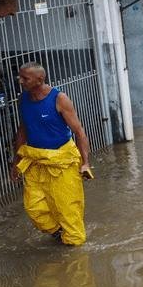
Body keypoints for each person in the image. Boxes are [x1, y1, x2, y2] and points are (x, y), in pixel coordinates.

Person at [9, 61, 93, 246]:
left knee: (67, 208)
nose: (20, 80)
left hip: (62, 160)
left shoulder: (59, 99)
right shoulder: (23, 99)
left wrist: (85, 162)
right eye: (20, 76)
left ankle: (74, 254)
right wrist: (16, 161)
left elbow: (79, 132)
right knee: (34, 208)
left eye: (25, 78)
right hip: (36, 160)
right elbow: (22, 130)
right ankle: (59, 233)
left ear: (40, 79)